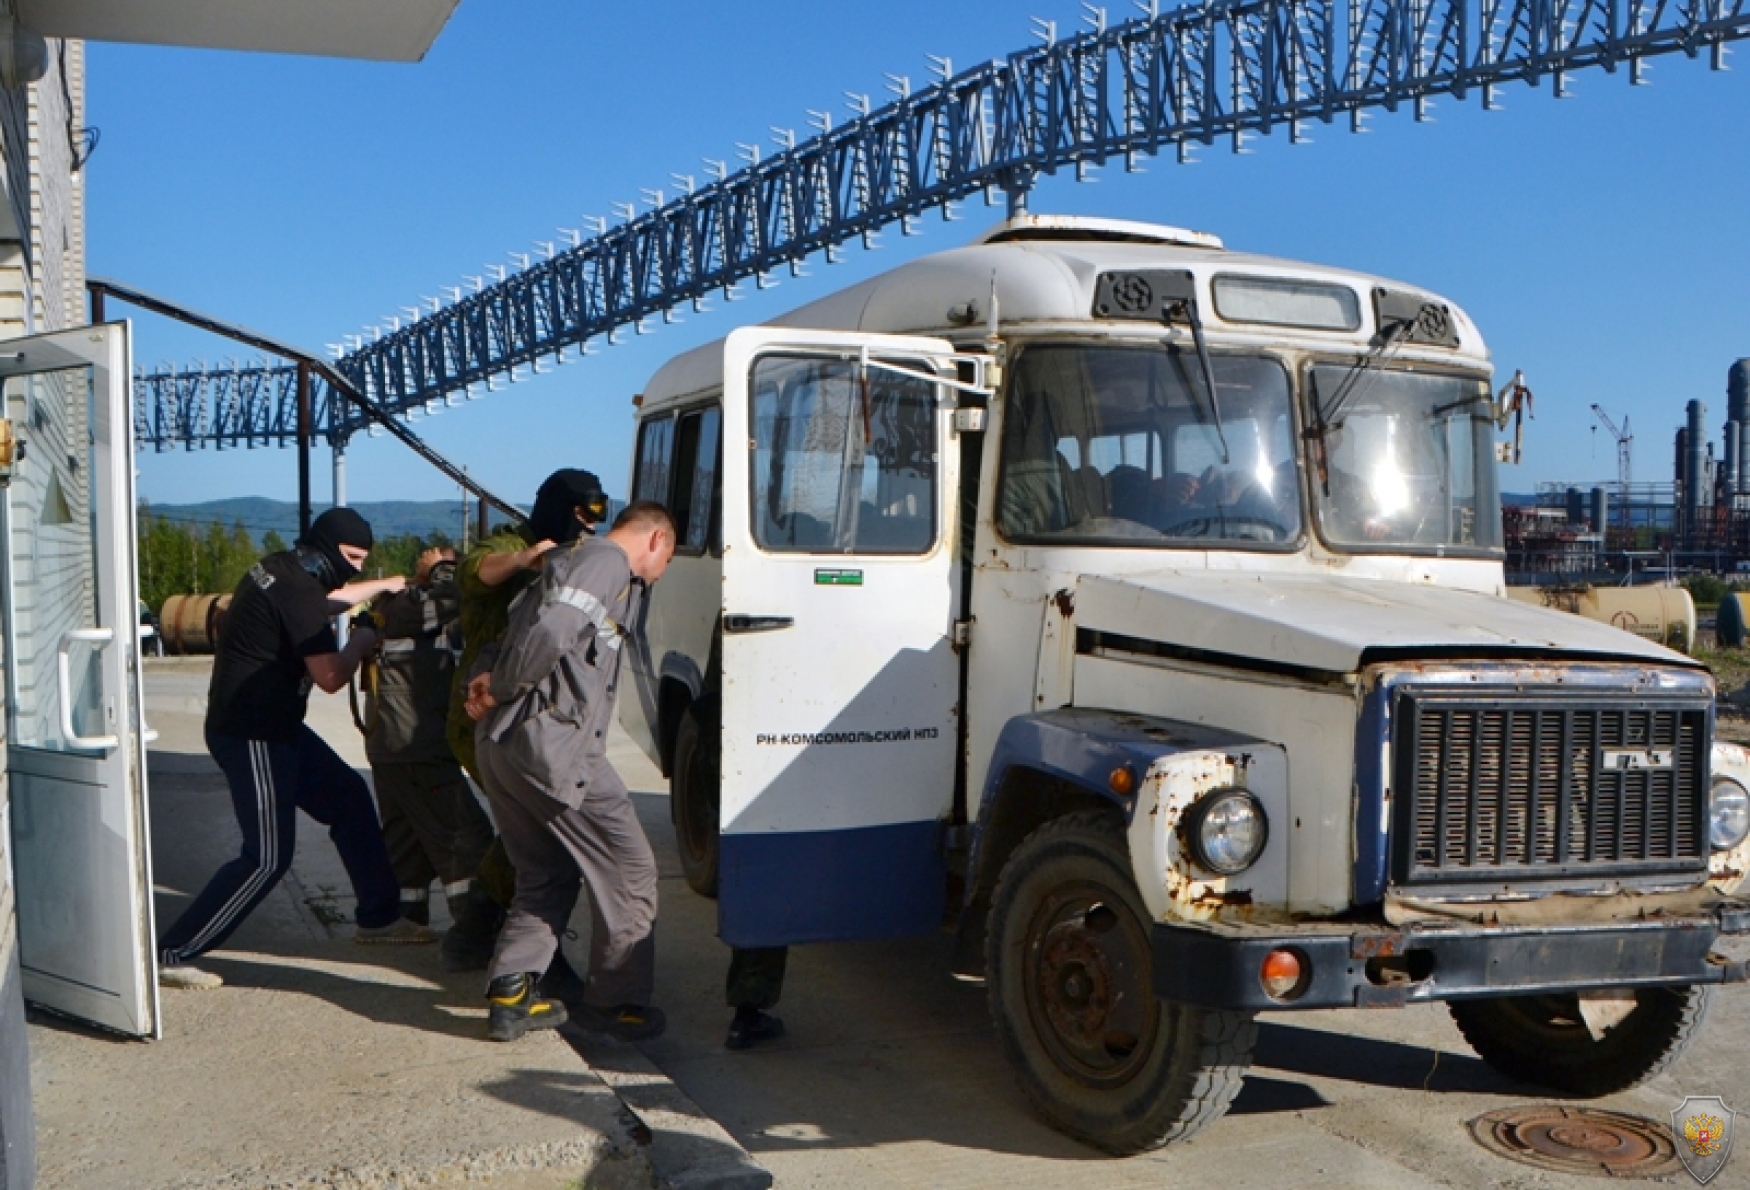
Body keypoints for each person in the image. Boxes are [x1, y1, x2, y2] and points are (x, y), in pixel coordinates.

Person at [158, 508, 438, 991]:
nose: (353, 567)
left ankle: (379, 918)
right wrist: (364, 640)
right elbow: (330, 676)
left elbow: (330, 599)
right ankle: (175, 950)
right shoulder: (299, 590)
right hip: (255, 735)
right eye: (351, 558)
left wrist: (388, 583)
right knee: (267, 857)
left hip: (275, 728)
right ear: (329, 549)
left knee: (349, 798)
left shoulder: (280, 569)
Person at [463, 501, 676, 1042]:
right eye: (668, 560)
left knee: (546, 874)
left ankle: (511, 992)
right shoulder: (606, 561)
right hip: (552, 745)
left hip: (504, 745)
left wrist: (489, 675)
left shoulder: (568, 559)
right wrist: (506, 685)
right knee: (630, 869)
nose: (661, 574)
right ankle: (618, 1005)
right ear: (655, 541)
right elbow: (553, 630)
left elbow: (512, 627)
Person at [447, 468, 609, 994]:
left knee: (534, 831)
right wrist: (527, 559)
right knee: (541, 833)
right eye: (578, 516)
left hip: (534, 716)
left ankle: (480, 926)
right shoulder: (507, 544)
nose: (582, 530)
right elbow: (473, 571)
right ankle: (530, 956)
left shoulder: (579, 554)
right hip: (479, 711)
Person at [359, 546, 502, 971]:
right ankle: (475, 937)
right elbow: (451, 597)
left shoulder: (410, 610)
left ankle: (402, 920)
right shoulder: (405, 605)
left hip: (399, 745)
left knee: (409, 842)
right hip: (413, 747)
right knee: (465, 835)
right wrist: (441, 572)